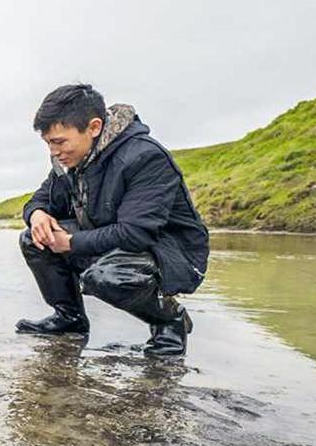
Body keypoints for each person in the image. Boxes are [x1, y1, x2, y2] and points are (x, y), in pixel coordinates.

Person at [16, 84, 210, 355]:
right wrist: (36, 215)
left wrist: (70, 242)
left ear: (94, 127)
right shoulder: (69, 161)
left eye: (59, 141)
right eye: (48, 143)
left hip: (170, 254)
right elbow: (40, 200)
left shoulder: (145, 157)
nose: (54, 151)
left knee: (108, 277)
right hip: (110, 240)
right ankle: (69, 318)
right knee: (33, 238)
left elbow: (135, 233)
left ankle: (169, 320)